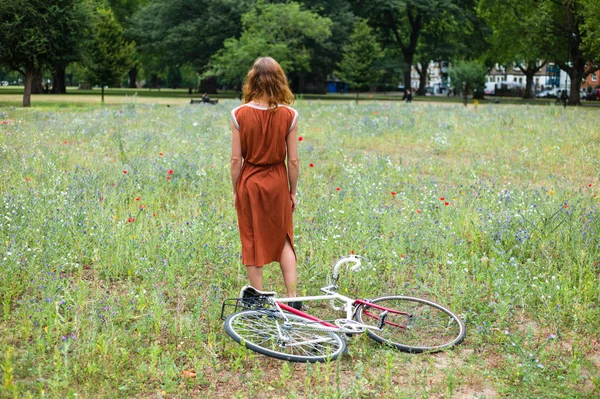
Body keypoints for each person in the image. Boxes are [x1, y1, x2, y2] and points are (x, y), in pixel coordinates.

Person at [230, 57, 300, 307]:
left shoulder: (238, 114)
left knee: (251, 237)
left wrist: (236, 189)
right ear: (279, 80)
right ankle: (293, 299)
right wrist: (292, 192)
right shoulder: (290, 115)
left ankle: (258, 299)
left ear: (252, 80)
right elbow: (293, 161)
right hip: (278, 180)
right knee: (283, 238)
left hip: (250, 180)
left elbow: (236, 159)